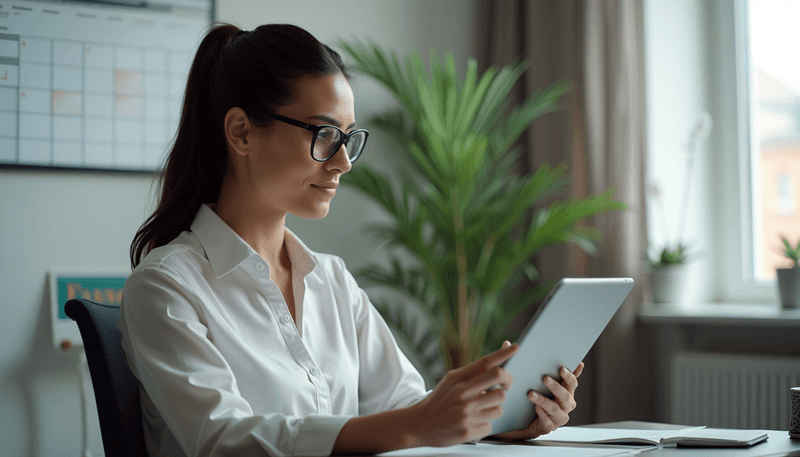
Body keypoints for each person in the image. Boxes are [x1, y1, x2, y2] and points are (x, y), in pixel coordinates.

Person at [120, 22, 584, 457]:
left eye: (348, 138)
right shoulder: (165, 287)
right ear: (241, 131)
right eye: (324, 134)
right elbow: (223, 439)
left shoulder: (332, 281)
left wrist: (497, 419)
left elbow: (404, 405)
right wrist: (418, 422)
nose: (342, 161)